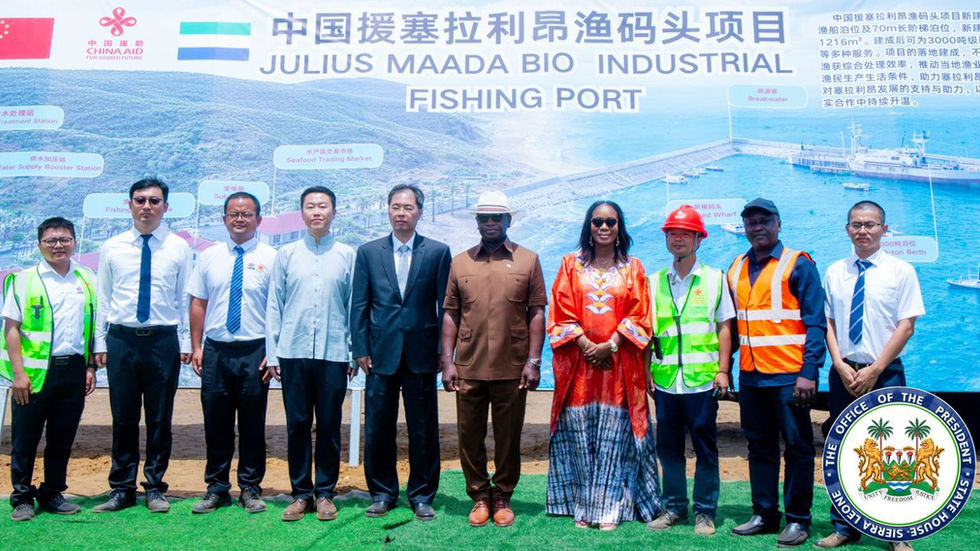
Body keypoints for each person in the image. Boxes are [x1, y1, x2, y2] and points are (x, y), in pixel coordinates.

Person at [546, 200, 664, 530]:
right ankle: (583, 506)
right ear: (589, 226)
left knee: (616, 440)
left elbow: (641, 317)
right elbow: (560, 312)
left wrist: (610, 345)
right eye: (597, 221)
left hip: (619, 369)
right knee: (582, 438)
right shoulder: (570, 265)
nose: (603, 227)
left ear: (619, 228)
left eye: (610, 222)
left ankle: (611, 507)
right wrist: (586, 344)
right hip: (580, 371)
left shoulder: (634, 268)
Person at [815, 201, 923, 551]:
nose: (863, 230)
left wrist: (876, 369)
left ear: (884, 230)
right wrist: (839, 364)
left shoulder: (901, 271)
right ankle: (844, 526)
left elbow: (906, 326)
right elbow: (827, 323)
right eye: (856, 224)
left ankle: (897, 533)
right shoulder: (835, 271)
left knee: (894, 452)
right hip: (844, 371)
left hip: (885, 371)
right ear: (847, 229)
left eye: (871, 225)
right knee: (843, 449)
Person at [440, 190, 547, 528]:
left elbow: (537, 313)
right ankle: (479, 496)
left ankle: (502, 495)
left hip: (512, 367)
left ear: (508, 221)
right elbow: (450, 315)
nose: (489, 223)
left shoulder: (529, 260)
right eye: (483, 217)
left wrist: (533, 361)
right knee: (468, 436)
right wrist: (447, 361)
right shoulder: (460, 262)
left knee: (508, 436)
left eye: (496, 217)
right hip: (469, 365)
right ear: (476, 222)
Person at [727, 198, 826, 547]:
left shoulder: (798, 264)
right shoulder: (735, 267)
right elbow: (733, 325)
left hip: (790, 377)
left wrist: (809, 372)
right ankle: (765, 514)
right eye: (751, 222)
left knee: (798, 447)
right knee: (759, 447)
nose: (757, 227)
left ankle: (798, 519)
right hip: (752, 376)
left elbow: (816, 324)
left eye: (764, 221)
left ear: (778, 224)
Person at [351, 184, 451, 521]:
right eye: (396, 207)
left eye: (408, 208)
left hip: (422, 355)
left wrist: (443, 351)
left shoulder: (437, 252)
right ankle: (382, 492)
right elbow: (359, 305)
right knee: (378, 426)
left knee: (423, 427)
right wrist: (360, 349)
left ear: (420, 212)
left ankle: (422, 495)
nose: (401, 213)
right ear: (388, 211)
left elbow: (446, 307)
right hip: (379, 354)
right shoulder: (368, 252)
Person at [92, 178, 192, 513]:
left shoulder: (179, 247)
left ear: (165, 206)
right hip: (122, 340)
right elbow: (103, 297)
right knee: (123, 417)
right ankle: (121, 487)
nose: (146, 206)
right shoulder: (113, 246)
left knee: (160, 417)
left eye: (154, 201)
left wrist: (186, 343)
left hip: (163, 341)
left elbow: (183, 298)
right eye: (140, 200)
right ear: (129, 204)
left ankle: (154, 487)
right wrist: (100, 342)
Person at [266, 185, 356, 522]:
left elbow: (353, 307)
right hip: (293, 351)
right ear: (301, 213)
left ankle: (325, 494)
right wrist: (272, 353)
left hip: (334, 353)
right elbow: (274, 304)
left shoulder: (348, 254)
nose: (316, 212)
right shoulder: (286, 254)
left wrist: (352, 352)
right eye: (310, 206)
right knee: (298, 424)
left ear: (334, 212)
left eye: (323, 206)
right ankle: (301, 493)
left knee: (330, 424)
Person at [645, 205, 734, 536]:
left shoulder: (714, 279)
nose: (678, 238)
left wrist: (724, 371)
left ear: (699, 239)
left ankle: (705, 512)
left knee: (705, 448)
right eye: (672, 233)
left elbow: (725, 327)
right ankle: (674, 508)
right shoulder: (653, 282)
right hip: (666, 381)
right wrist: (645, 374)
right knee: (668, 448)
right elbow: (647, 334)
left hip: (701, 383)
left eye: (685, 233)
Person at [1, 218, 97, 521]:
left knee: (61, 437)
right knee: (25, 437)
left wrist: (90, 365)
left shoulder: (86, 278)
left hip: (73, 371)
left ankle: (53, 493)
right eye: (51, 240)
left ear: (74, 242)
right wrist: (18, 374)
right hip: (33, 374)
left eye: (64, 239)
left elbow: (91, 328)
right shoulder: (23, 279)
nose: (58, 245)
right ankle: (22, 497)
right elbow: (11, 330)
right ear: (40, 244)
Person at [188, 192, 277, 515]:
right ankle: (217, 487)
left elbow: (276, 308)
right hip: (216, 351)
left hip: (256, 351)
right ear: (224, 218)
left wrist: (273, 351)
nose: (239, 219)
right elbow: (198, 303)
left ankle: (251, 488)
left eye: (246, 214)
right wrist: (197, 347)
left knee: (253, 423)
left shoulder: (272, 257)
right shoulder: (209, 256)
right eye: (233, 214)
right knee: (216, 421)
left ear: (258, 220)